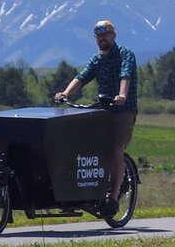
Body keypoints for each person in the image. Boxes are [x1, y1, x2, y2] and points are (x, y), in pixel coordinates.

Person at [53, 20, 138, 215]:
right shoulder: (97, 59)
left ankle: (114, 197)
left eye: (105, 35)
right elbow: (81, 77)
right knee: (85, 146)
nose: (102, 39)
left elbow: (125, 75)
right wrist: (65, 93)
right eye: (99, 36)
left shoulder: (125, 55)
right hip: (103, 110)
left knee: (116, 148)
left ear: (113, 35)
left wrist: (122, 95)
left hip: (123, 111)